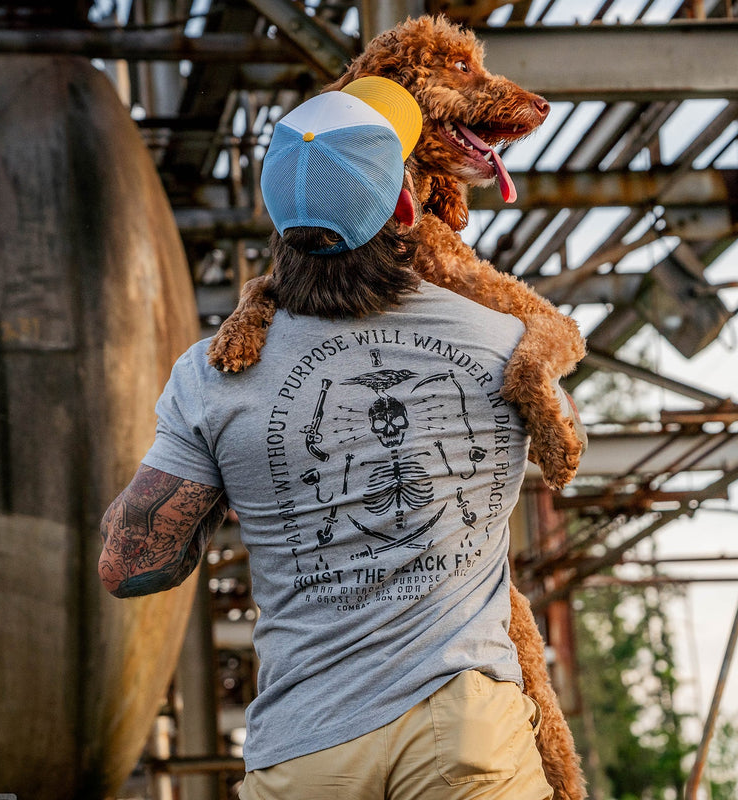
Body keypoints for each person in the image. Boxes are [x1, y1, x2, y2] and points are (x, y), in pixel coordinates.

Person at [99, 77, 552, 800]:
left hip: (306, 754)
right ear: (407, 205)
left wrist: (232, 473)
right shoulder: (510, 347)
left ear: (276, 220)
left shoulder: (215, 374)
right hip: (465, 735)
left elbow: (130, 564)